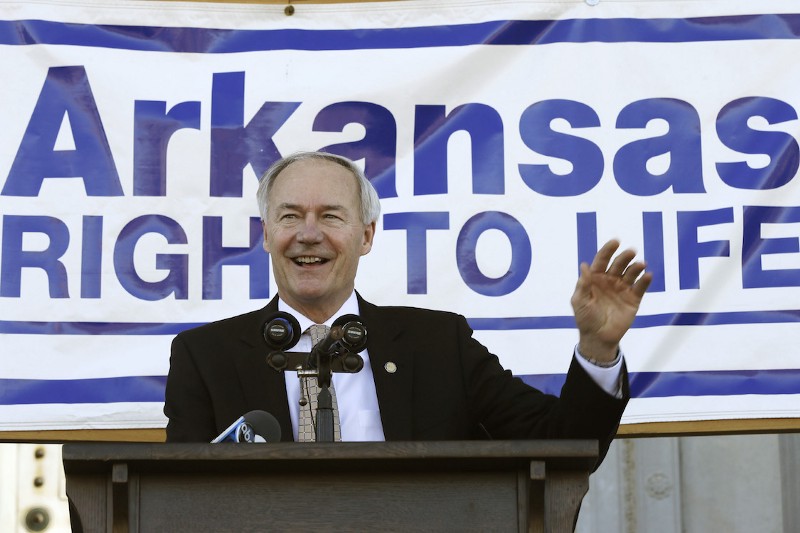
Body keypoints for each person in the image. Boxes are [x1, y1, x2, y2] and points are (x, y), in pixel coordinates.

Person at [164, 151, 652, 467]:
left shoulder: (438, 344)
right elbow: (176, 499)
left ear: (367, 235)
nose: (308, 234)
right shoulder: (204, 356)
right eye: (290, 216)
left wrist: (597, 347)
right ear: (267, 234)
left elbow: (565, 447)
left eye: (331, 216)